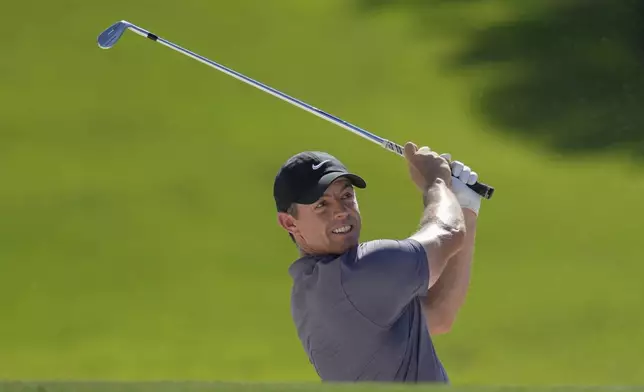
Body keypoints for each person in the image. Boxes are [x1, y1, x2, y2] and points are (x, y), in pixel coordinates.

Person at [272, 141, 482, 383]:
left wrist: (465, 207)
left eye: (346, 196)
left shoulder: (308, 288)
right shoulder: (359, 273)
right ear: (289, 223)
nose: (341, 211)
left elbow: (438, 314)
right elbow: (448, 233)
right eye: (322, 205)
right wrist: (436, 181)